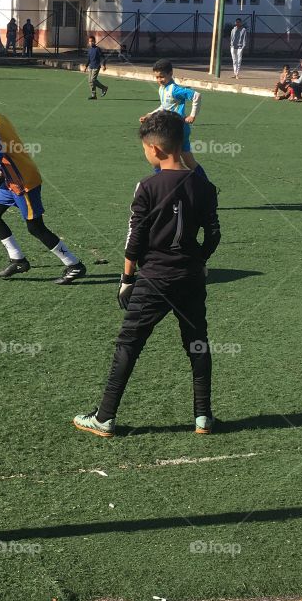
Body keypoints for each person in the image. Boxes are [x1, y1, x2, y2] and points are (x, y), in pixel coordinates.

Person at [73, 109, 220, 438]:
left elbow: (135, 237)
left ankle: (105, 417)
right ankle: (203, 417)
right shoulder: (204, 186)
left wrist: (126, 278)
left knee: (129, 344)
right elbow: (213, 235)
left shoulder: (148, 186)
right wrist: (199, 260)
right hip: (191, 278)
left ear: (155, 149)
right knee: (197, 343)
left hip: (154, 278)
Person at [0, 87, 86, 283]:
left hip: (22, 182)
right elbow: (9, 146)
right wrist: (3, 171)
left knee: (35, 227)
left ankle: (74, 265)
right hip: (11, 180)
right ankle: (18, 260)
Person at [143, 59, 202, 172]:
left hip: (177, 127)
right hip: (172, 127)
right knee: (188, 162)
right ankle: (204, 185)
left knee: (161, 159)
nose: (159, 80)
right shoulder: (162, 88)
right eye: (157, 77)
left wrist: (192, 115)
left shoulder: (175, 90)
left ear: (170, 74)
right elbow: (165, 106)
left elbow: (197, 96)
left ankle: (161, 184)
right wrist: (150, 114)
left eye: (162, 76)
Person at [83, 35, 109, 99]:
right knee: (90, 81)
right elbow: (89, 59)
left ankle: (104, 88)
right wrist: (86, 66)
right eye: (89, 41)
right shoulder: (90, 50)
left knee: (93, 79)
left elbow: (103, 57)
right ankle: (93, 95)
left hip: (96, 66)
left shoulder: (97, 49)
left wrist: (104, 65)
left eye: (92, 41)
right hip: (91, 67)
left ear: (95, 41)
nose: (91, 42)